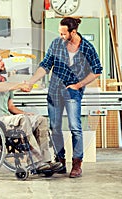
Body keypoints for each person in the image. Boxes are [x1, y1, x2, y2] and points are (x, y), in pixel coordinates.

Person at [25, 17, 102, 178]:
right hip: (54, 91)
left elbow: (96, 70)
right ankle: (60, 162)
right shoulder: (56, 44)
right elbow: (45, 65)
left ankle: (77, 164)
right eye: (59, 33)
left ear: (73, 32)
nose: (60, 36)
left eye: (63, 33)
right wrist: (31, 81)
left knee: (75, 127)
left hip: (72, 92)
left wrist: (78, 85)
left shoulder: (87, 47)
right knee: (55, 128)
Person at [0, 50, 62, 172]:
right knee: (22, 120)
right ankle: (35, 161)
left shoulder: (5, 82)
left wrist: (25, 113)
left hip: (8, 118)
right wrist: (19, 85)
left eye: (2, 60)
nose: (3, 63)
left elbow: (11, 107)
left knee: (40, 119)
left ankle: (46, 161)